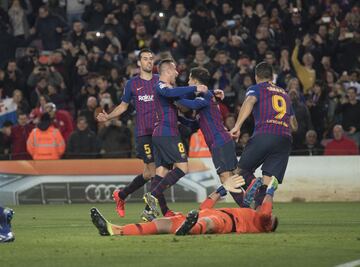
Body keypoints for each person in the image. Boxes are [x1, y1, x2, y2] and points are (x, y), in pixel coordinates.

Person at [96, 48, 164, 220]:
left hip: (160, 132)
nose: (149, 61)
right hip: (143, 133)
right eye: (145, 59)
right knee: (155, 172)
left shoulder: (159, 80)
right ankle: (152, 210)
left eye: (151, 58)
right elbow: (123, 106)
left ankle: (121, 195)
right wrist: (108, 116)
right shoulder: (132, 84)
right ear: (139, 63)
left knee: (149, 174)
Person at [90, 176, 279, 236]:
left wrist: (271, 190)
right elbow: (204, 205)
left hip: (226, 222)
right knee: (162, 223)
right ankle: (115, 230)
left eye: (271, 217)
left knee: (208, 221)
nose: (269, 213)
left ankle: (189, 228)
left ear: (269, 224)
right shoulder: (250, 212)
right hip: (196, 216)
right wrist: (223, 188)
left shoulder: (260, 221)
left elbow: (265, 213)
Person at [143, 59, 208, 217]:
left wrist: (194, 123)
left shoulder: (169, 90)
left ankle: (155, 212)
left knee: (161, 172)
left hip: (162, 133)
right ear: (166, 71)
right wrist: (195, 88)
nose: (177, 73)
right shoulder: (160, 86)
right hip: (167, 133)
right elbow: (169, 93)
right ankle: (153, 196)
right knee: (183, 167)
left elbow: (177, 110)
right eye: (174, 70)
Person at [230, 62, 298, 209]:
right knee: (268, 181)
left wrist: (237, 126)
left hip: (265, 133)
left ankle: (255, 185)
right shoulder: (284, 94)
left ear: (256, 76)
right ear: (271, 76)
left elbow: (249, 101)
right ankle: (263, 213)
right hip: (284, 138)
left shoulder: (256, 88)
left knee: (240, 172)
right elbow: (294, 125)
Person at [176, 67, 246, 206]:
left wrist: (173, 95)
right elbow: (194, 126)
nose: (188, 81)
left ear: (195, 81)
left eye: (190, 79)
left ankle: (248, 206)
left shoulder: (205, 96)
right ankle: (252, 204)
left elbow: (192, 104)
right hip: (222, 141)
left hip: (219, 142)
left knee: (226, 178)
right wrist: (179, 120)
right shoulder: (207, 97)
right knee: (231, 178)